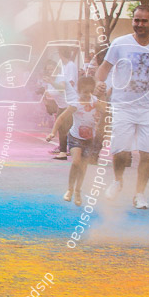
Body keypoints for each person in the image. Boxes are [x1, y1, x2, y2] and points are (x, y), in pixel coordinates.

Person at [96, 5, 149, 209]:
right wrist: (98, 84)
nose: (139, 24)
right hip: (123, 106)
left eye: (144, 21)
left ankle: (140, 194)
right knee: (120, 149)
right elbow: (104, 68)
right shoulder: (119, 44)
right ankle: (117, 181)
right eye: (136, 20)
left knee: (148, 152)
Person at [46, 76, 104, 206]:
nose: (87, 95)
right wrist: (52, 133)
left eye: (89, 92)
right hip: (75, 137)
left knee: (83, 166)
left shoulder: (95, 101)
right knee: (76, 162)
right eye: (84, 92)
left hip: (89, 140)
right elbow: (61, 118)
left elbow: (107, 111)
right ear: (79, 91)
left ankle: (78, 191)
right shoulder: (75, 104)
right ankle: (70, 189)